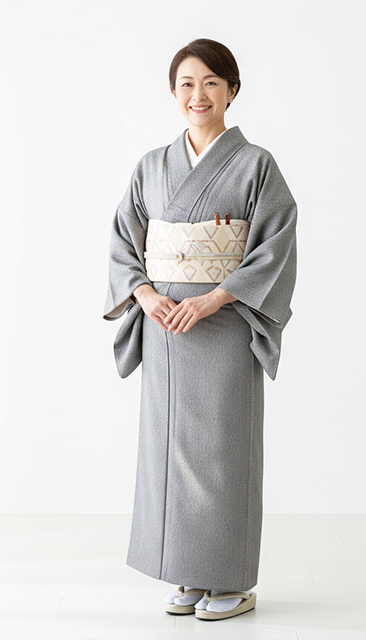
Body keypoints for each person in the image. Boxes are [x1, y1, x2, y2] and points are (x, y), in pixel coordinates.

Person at [102, 38, 298, 622]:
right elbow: (124, 240)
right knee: (168, 452)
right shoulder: (151, 166)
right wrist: (145, 295)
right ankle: (187, 570)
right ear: (173, 92)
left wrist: (214, 298)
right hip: (165, 328)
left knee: (222, 451)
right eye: (186, 83)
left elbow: (275, 244)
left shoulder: (256, 164)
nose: (198, 94)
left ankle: (231, 579)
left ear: (232, 91)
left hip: (225, 328)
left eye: (211, 82)